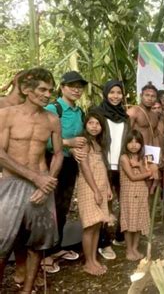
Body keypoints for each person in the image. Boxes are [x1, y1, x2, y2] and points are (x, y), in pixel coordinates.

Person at [0, 68, 63, 293]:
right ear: (27, 89)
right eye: (42, 89)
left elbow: (57, 154)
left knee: (38, 243)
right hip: (11, 184)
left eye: (50, 90)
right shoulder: (6, 114)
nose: (47, 95)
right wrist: (35, 178)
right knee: (2, 242)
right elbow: (0, 154)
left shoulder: (52, 119)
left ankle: (27, 290)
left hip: (42, 186)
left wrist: (48, 182)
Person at [42, 71, 89, 273]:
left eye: (80, 86)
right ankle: (44, 256)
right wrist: (69, 143)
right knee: (48, 208)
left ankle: (56, 248)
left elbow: (81, 137)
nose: (76, 90)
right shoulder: (52, 109)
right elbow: (42, 140)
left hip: (70, 164)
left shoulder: (79, 112)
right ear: (62, 87)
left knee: (62, 206)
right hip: (51, 163)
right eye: (72, 86)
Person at [90, 80, 130, 260]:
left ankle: (121, 235)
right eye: (112, 92)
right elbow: (91, 135)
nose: (115, 96)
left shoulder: (125, 116)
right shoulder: (97, 113)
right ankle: (103, 242)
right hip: (103, 164)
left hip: (121, 164)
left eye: (118, 93)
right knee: (105, 202)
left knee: (124, 199)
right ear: (105, 93)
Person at [76, 112, 113, 275]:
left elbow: (102, 168)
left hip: (101, 186)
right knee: (90, 225)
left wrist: (108, 188)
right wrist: (96, 190)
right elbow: (85, 168)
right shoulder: (84, 143)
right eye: (90, 123)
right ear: (85, 125)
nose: (94, 126)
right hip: (89, 187)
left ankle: (93, 258)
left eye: (97, 124)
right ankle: (88, 262)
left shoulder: (99, 144)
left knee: (98, 225)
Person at [119, 130, 155, 261]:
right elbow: (133, 177)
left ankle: (135, 248)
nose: (134, 145)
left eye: (137, 142)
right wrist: (147, 173)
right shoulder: (124, 158)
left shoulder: (142, 158)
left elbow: (148, 178)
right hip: (129, 193)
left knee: (139, 220)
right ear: (126, 143)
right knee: (129, 221)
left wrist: (140, 165)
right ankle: (129, 249)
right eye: (130, 142)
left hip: (141, 192)